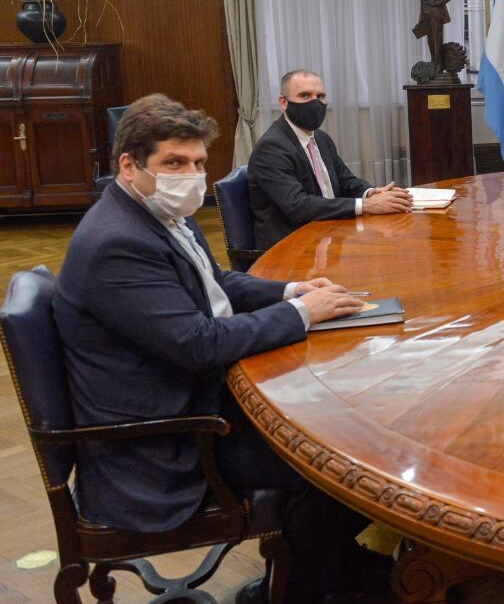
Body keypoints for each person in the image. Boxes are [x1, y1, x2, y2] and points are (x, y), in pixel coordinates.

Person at [53, 94, 387, 603]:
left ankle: (344, 572)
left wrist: (291, 291)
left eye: (198, 163)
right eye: (174, 162)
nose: (190, 174)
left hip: (201, 394)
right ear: (129, 164)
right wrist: (301, 315)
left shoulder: (158, 212)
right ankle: (313, 590)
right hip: (169, 438)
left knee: (344, 420)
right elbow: (197, 343)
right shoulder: (114, 243)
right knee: (332, 460)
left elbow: (215, 281)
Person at [248, 69, 412, 251]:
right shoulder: (271, 148)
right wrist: (365, 206)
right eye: (304, 96)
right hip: (291, 248)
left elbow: (346, 181)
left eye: (320, 96)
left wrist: (371, 193)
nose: (315, 103)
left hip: (328, 235)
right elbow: (298, 206)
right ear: (283, 102)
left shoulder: (320, 138)